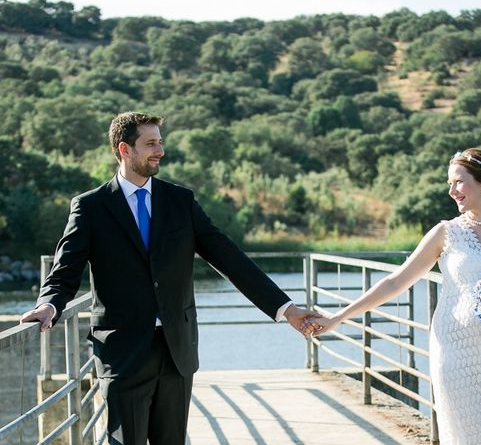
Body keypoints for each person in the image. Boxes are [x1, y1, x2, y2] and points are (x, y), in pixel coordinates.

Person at [21, 111, 320, 445]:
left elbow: (230, 259)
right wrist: (48, 305)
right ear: (125, 149)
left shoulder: (181, 201)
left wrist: (286, 309)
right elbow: (65, 271)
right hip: (122, 352)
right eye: (150, 143)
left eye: (160, 142)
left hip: (177, 349)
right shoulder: (90, 207)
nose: (160, 150)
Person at [306, 148, 481, 444]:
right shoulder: (446, 233)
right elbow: (395, 282)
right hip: (456, 349)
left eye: (457, 182)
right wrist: (339, 317)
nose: (452, 191)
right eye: (449, 184)